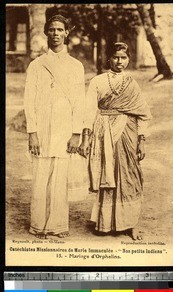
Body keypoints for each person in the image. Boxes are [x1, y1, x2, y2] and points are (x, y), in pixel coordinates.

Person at [79, 42, 152, 240]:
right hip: (104, 132)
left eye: (124, 58)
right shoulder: (98, 81)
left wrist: (141, 141)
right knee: (108, 175)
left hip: (127, 133)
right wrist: (85, 138)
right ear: (109, 58)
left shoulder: (132, 83)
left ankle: (130, 224)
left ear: (128, 60)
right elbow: (88, 110)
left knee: (129, 176)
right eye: (116, 57)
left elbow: (142, 115)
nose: (120, 61)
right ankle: (105, 223)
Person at [24, 15, 85, 239]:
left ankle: (58, 225)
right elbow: (29, 100)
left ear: (67, 33)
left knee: (60, 178)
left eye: (60, 29)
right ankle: (38, 225)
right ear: (46, 33)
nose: (56, 34)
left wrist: (76, 133)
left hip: (64, 128)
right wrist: (32, 133)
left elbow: (79, 102)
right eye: (52, 30)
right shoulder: (36, 65)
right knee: (41, 176)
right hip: (41, 128)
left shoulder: (75, 66)